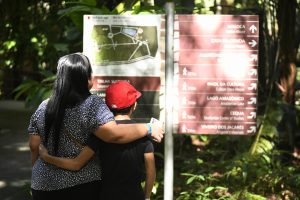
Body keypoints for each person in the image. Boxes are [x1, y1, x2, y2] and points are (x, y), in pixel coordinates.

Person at [28, 53, 163, 200]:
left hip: (42, 185)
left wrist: (41, 170)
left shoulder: (43, 106)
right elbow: (113, 134)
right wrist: (149, 128)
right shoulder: (91, 104)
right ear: (85, 78)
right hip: (80, 186)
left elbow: (34, 145)